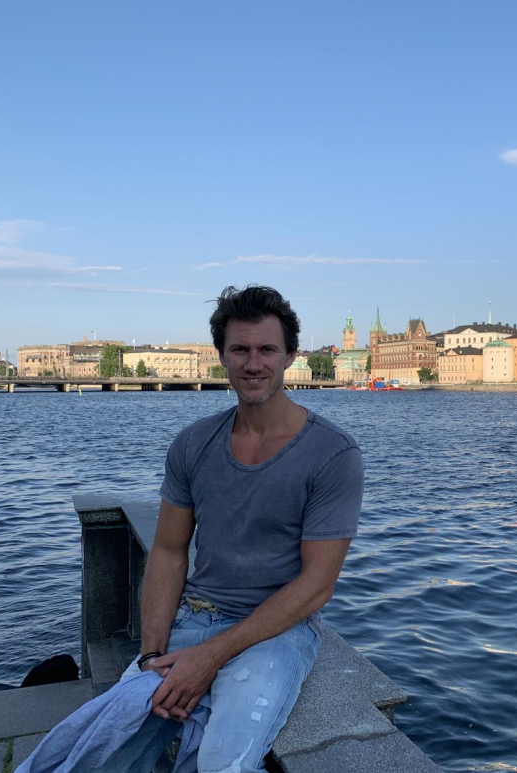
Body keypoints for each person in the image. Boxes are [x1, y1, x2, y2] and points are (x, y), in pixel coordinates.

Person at [120, 285, 363, 771]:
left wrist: (209, 658)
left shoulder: (334, 454)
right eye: (240, 350)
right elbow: (168, 551)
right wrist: (151, 655)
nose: (254, 364)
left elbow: (317, 584)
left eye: (267, 349)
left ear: (290, 356)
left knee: (221, 763)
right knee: (109, 745)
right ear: (222, 357)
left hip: (278, 631)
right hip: (193, 617)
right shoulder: (192, 444)